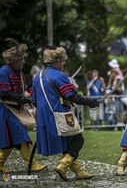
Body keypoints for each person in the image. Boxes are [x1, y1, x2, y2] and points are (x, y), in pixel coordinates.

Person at [31, 45, 99, 181]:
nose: (64, 63)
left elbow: (34, 101)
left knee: (69, 142)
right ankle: (63, 165)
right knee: (77, 139)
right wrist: (90, 101)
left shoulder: (37, 77)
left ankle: (78, 171)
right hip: (60, 115)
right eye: (63, 60)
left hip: (44, 118)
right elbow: (72, 97)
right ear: (56, 61)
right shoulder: (60, 76)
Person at [0, 38, 46, 173]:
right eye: (21, 60)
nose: (24, 62)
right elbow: (2, 93)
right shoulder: (3, 72)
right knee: (22, 136)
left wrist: (29, 96)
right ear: (14, 61)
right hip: (6, 110)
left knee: (12, 140)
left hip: (16, 109)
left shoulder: (18, 72)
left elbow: (23, 88)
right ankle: (31, 164)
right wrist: (21, 98)